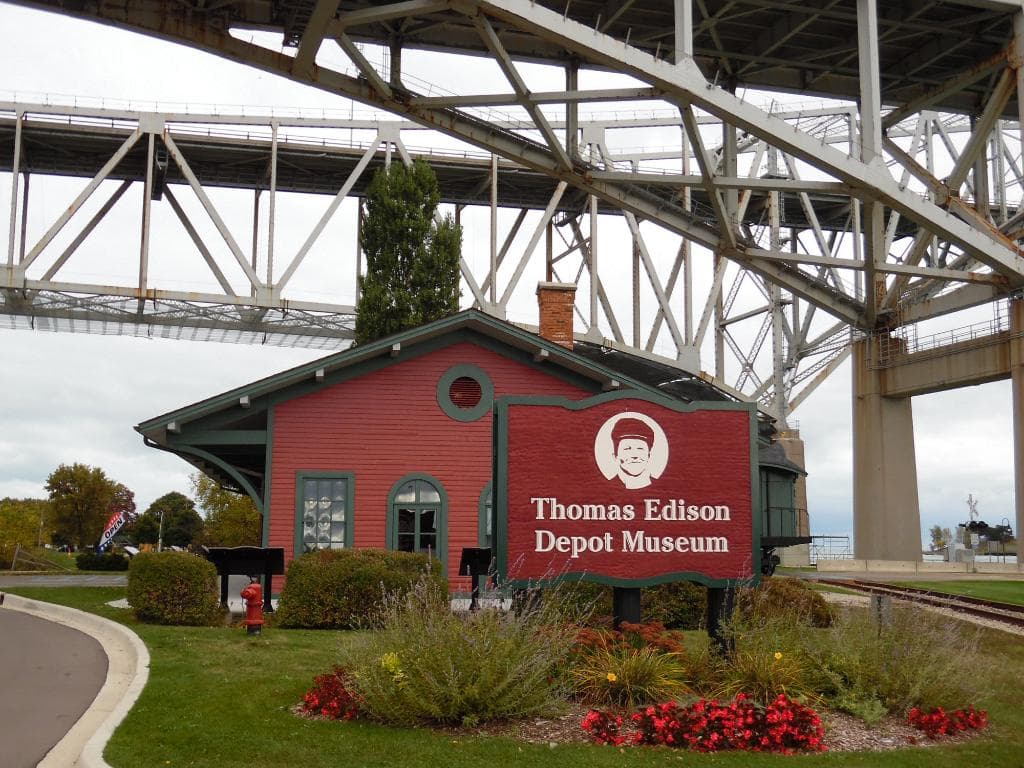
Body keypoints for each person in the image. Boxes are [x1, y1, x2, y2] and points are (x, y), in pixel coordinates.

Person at [610, 417, 656, 489]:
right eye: (627, 449)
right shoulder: (603, 488)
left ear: (649, 455)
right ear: (615, 456)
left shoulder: (664, 485)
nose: (634, 455)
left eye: (640, 448)